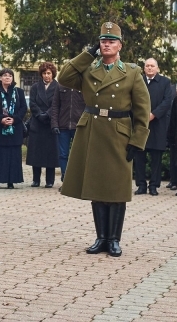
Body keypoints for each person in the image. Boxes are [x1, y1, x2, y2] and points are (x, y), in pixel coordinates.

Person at [57, 22, 150, 257]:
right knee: (97, 187)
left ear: (120, 45)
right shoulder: (88, 69)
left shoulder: (131, 72)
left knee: (117, 189)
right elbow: (64, 77)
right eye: (103, 40)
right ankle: (100, 238)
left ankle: (114, 239)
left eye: (111, 41)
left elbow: (141, 109)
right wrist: (87, 54)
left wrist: (138, 140)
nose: (106, 44)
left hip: (119, 134)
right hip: (93, 131)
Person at [134, 58, 174, 196]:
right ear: (144, 68)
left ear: (157, 68)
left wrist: (154, 114)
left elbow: (167, 101)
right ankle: (141, 185)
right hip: (140, 123)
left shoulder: (165, 82)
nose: (150, 68)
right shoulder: (138, 80)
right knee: (139, 156)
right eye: (147, 66)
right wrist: (142, 115)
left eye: (152, 66)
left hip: (158, 124)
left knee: (156, 157)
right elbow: (132, 99)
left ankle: (154, 186)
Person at [0, 69, 26, 189]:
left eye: (10, 76)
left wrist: (14, 119)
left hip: (14, 129)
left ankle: (11, 181)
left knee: (12, 156)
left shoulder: (19, 92)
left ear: (13, 78)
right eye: (5, 75)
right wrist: (0, 119)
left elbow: (23, 107)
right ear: (0, 78)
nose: (7, 78)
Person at [27, 62, 60, 188]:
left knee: (50, 154)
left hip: (50, 123)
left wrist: (47, 114)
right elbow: (32, 103)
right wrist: (39, 114)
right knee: (37, 153)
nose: (46, 76)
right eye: (44, 73)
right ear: (41, 74)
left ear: (52, 74)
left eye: (49, 73)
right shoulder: (35, 87)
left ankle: (49, 180)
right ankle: (36, 179)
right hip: (37, 122)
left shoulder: (58, 87)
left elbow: (57, 104)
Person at [50, 81, 84, 189]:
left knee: (78, 155)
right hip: (63, 126)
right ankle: (66, 181)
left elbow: (89, 106)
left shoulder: (83, 84)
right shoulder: (61, 85)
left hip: (79, 126)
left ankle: (77, 181)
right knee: (63, 155)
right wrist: (54, 124)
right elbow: (55, 105)